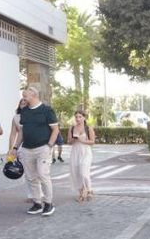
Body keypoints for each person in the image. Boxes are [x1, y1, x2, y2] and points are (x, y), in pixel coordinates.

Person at [18, 87, 60, 216]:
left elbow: (55, 129)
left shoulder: (46, 110)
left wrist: (49, 146)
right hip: (26, 149)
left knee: (43, 175)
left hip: (43, 148)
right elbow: (21, 132)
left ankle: (48, 203)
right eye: (23, 95)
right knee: (31, 178)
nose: (23, 97)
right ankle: (37, 203)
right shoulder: (24, 111)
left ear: (34, 95)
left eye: (25, 95)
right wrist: (15, 148)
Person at [6, 98, 35, 204]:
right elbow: (13, 134)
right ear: (19, 106)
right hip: (22, 147)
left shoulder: (35, 115)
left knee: (38, 171)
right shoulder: (16, 118)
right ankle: (31, 195)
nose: (24, 105)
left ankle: (39, 193)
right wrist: (11, 149)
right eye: (22, 104)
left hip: (36, 146)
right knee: (27, 172)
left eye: (26, 104)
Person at [69, 111, 94, 202]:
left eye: (80, 117)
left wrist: (82, 140)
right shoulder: (72, 128)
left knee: (84, 171)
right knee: (76, 172)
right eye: (76, 117)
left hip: (86, 152)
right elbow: (69, 142)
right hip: (75, 152)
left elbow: (92, 142)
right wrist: (74, 139)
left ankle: (89, 190)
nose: (78, 119)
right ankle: (81, 192)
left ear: (84, 118)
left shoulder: (88, 128)